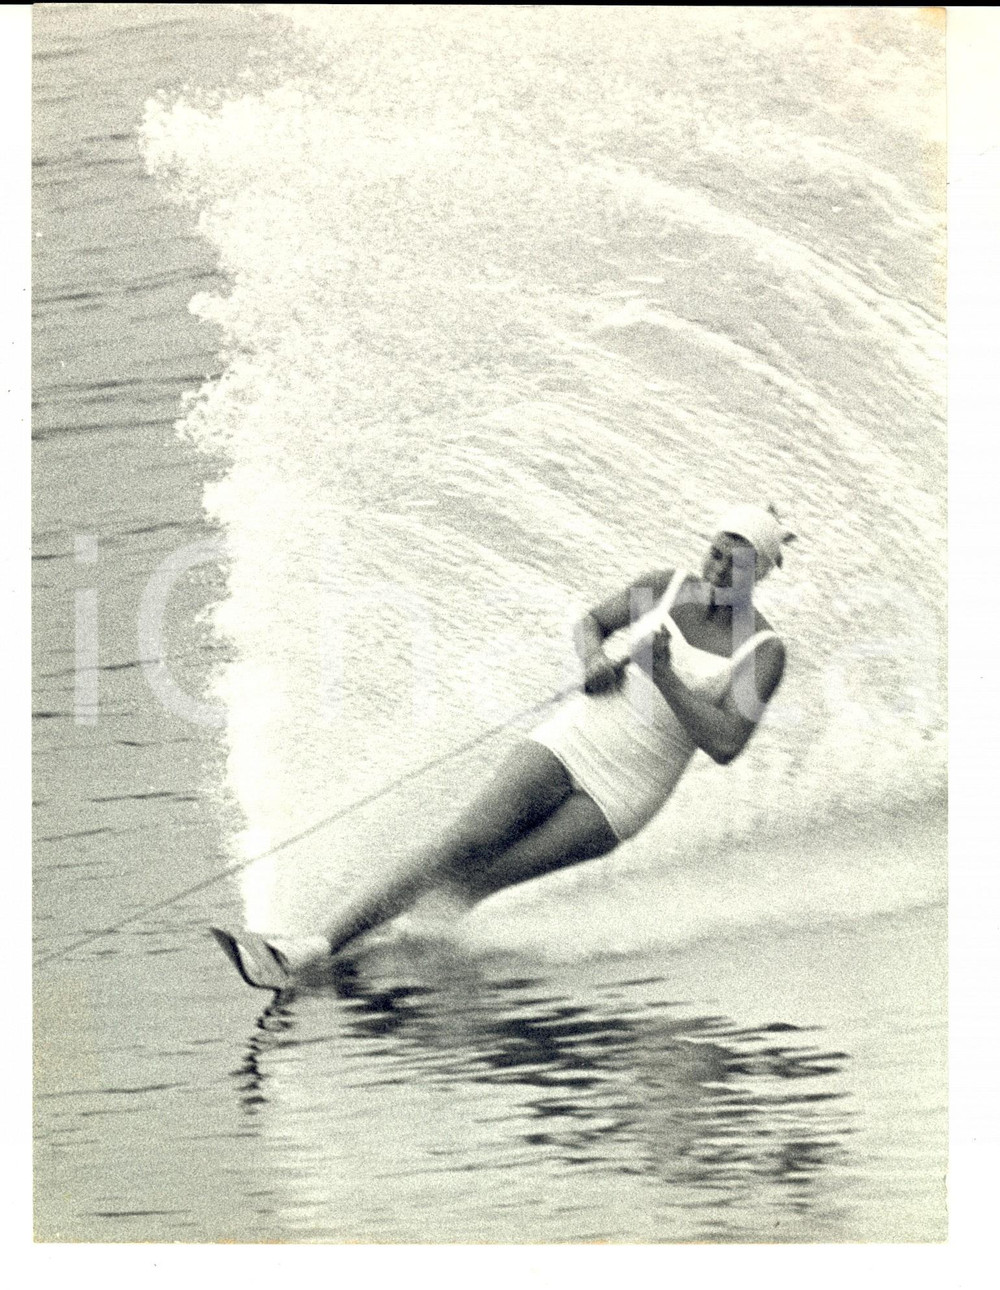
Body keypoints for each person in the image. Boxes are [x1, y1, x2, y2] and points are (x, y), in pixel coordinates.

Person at [227, 503, 795, 984]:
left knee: (483, 878)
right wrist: (593, 659)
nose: (719, 569)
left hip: (625, 792)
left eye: (737, 564)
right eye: (715, 553)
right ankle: (313, 946)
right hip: (575, 738)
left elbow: (726, 743)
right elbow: (590, 624)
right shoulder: (664, 587)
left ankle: (370, 958)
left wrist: (665, 677)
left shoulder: (763, 651)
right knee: (461, 843)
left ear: (760, 574)